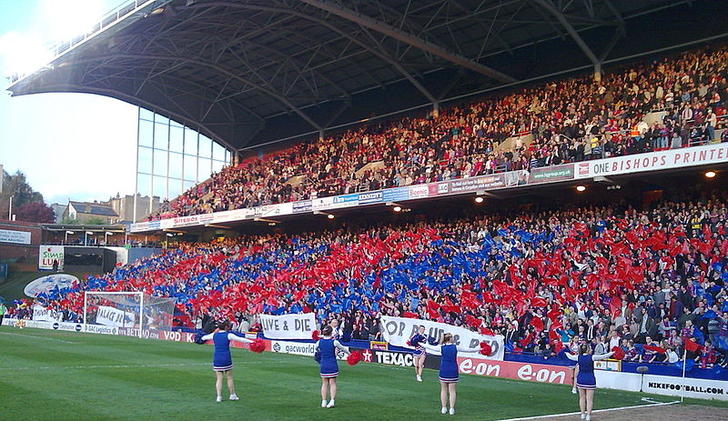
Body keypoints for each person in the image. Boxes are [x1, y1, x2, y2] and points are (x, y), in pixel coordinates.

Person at [423, 333, 478, 415]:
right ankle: (452, 409)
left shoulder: (441, 347)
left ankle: (444, 408)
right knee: (452, 391)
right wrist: (479, 349)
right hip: (453, 369)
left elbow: (430, 347)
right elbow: (468, 349)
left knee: (443, 389)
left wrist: (419, 343)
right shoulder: (455, 347)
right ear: (450, 338)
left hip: (444, 369)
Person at [200, 320, 254, 402]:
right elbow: (241, 339)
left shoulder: (214, 335)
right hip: (226, 357)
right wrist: (253, 341)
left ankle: (219, 397)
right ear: (226, 327)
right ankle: (232, 395)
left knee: (219, 378)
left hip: (217, 358)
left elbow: (203, 338)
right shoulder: (229, 335)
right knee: (229, 377)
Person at [566, 344, 615, 421]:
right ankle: (588, 415)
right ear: (588, 350)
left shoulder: (578, 357)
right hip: (590, 379)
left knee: (581, 398)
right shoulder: (592, 357)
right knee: (589, 399)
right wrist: (612, 352)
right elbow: (604, 356)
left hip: (581, 378)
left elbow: (569, 356)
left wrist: (566, 351)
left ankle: (582, 414)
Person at [315, 325, 350, 408]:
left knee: (324, 383)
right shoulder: (334, 342)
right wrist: (351, 355)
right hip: (332, 364)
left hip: (323, 364)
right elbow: (344, 349)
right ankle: (332, 401)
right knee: (333, 383)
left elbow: (316, 351)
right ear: (331, 333)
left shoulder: (319, 342)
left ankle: (323, 401)